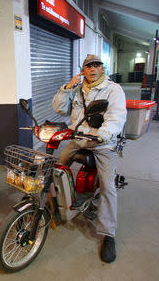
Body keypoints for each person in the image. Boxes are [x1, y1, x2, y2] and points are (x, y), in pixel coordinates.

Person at [52, 54, 127, 263]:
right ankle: (59, 206)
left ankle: (108, 233)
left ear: (102, 69)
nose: (93, 69)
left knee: (107, 186)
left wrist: (101, 134)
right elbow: (59, 109)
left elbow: (116, 118)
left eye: (96, 65)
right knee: (57, 169)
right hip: (78, 139)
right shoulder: (77, 89)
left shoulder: (113, 90)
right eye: (88, 66)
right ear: (83, 70)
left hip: (103, 143)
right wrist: (67, 87)